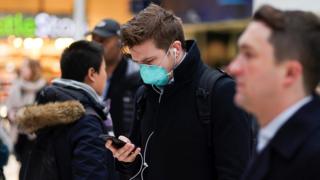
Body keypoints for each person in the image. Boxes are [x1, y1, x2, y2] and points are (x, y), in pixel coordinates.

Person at [106, 3, 252, 180]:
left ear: (175, 49)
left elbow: (236, 170)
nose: (144, 70)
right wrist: (127, 160)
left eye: (150, 61)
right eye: (138, 63)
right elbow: (140, 169)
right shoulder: (144, 95)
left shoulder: (220, 91)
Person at [228, 5, 320, 180]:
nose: (233, 67)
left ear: (290, 73)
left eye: (249, 55)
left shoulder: (313, 155)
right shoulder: (271, 137)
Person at [16, 40, 118, 180]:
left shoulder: (46, 106)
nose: (106, 75)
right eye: (104, 69)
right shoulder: (87, 120)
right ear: (92, 74)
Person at [87, 19, 141, 137]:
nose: (97, 45)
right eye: (94, 40)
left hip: (124, 146)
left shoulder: (135, 74)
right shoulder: (88, 74)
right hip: (94, 143)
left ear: (120, 41)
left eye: (102, 40)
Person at [6, 59, 46, 180]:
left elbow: (41, 113)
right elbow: (10, 106)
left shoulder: (42, 89)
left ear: (33, 70)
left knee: (29, 170)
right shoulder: (17, 85)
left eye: (25, 67)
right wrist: (11, 113)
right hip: (18, 135)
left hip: (33, 136)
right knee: (23, 166)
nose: (22, 69)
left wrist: (22, 115)